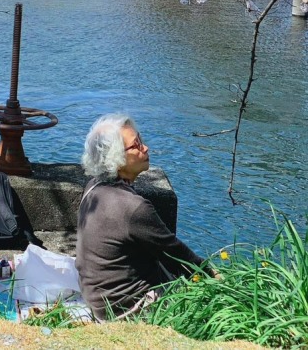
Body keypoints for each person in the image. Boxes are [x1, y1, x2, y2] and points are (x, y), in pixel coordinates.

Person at [75, 113, 212, 320]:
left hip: (96, 299)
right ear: (117, 157)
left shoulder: (93, 187)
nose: (145, 148)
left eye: (142, 141)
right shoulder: (133, 208)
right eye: (136, 145)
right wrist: (215, 278)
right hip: (126, 309)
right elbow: (177, 255)